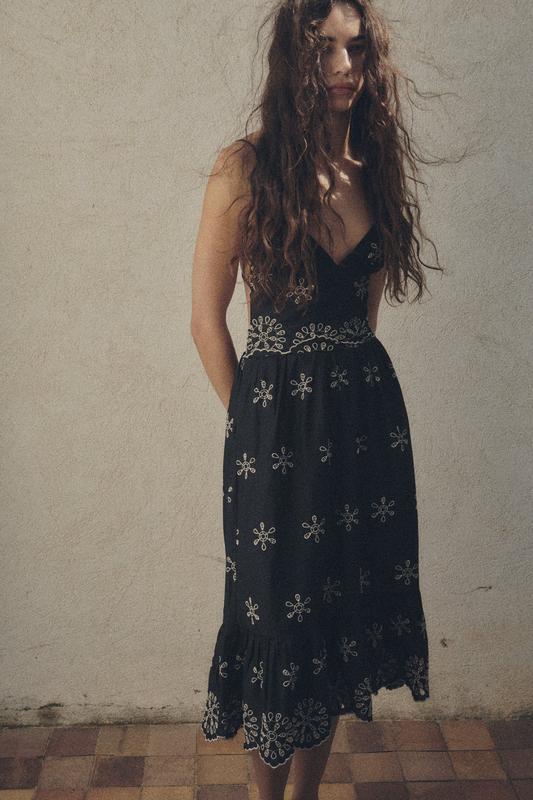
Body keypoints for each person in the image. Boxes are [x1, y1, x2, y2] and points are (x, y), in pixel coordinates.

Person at [191, 2, 438, 797]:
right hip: (274, 436)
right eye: (324, 48)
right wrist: (253, 424)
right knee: (276, 624)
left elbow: (362, 318)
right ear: (290, 59)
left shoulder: (372, 167)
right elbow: (204, 320)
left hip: (364, 428)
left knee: (331, 622)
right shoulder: (244, 168)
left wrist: (341, 403)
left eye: (356, 49)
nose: (342, 67)